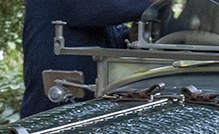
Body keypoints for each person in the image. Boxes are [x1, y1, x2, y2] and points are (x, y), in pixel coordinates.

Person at [21, 0, 156, 118]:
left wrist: (131, 36)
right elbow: (106, 9)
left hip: (89, 109)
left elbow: (114, 36)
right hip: (54, 112)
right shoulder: (94, 7)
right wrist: (151, 2)